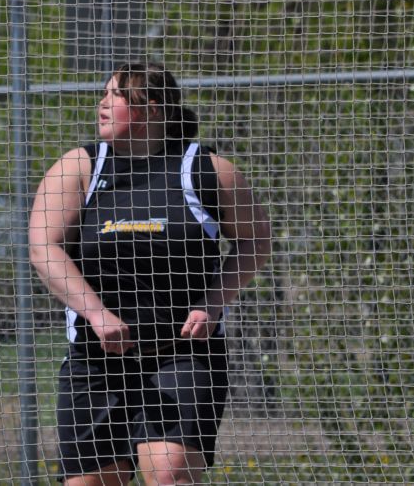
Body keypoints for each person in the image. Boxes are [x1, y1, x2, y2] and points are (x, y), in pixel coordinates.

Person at [29, 62, 271, 485]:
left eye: (116, 96)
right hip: (96, 360)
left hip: (182, 354)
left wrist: (212, 305)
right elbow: (43, 247)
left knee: (171, 475)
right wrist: (97, 314)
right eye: (103, 95)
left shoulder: (207, 169)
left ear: (152, 109)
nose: (103, 104)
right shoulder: (78, 167)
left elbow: (256, 241)